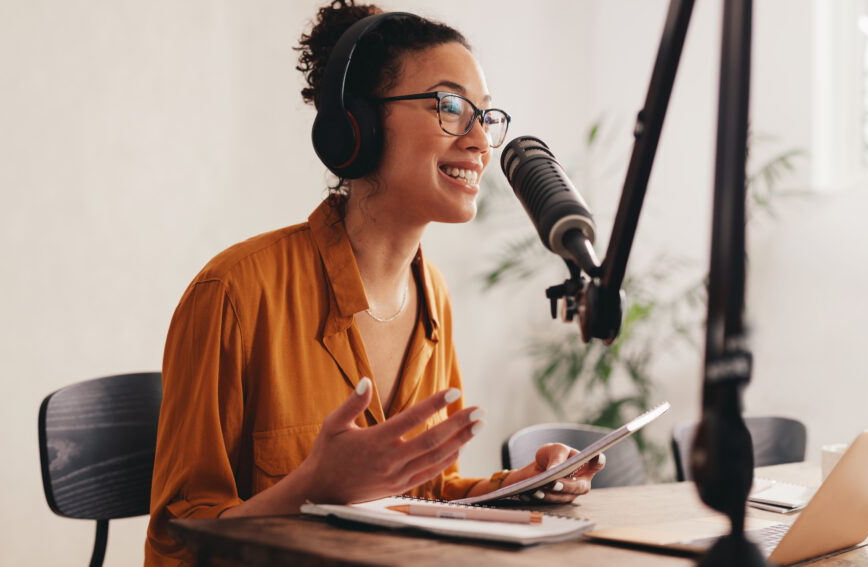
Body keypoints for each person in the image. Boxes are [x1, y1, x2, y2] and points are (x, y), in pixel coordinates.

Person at [144, 2, 604, 564]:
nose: (481, 141)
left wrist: (515, 488)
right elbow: (176, 542)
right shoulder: (236, 294)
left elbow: (422, 496)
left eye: (486, 115)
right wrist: (312, 486)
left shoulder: (431, 296)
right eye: (451, 105)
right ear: (355, 128)